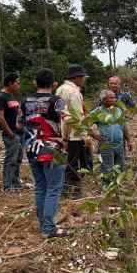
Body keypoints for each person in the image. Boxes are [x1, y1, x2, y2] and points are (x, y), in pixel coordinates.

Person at [23, 68, 68, 238]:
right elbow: (66, 121)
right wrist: (65, 139)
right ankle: (48, 228)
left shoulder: (25, 101)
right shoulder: (57, 101)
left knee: (40, 187)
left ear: (35, 83)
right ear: (54, 84)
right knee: (53, 188)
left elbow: (20, 124)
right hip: (52, 148)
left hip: (31, 148)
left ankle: (43, 224)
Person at [55, 64, 89, 199]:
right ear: (76, 78)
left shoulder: (60, 89)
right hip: (74, 134)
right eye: (82, 77)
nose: (84, 80)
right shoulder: (73, 92)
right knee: (74, 164)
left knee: (67, 162)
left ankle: (65, 189)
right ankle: (74, 192)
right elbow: (77, 116)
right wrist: (85, 135)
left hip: (63, 132)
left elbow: (60, 112)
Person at [89, 89, 133, 175]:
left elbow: (124, 126)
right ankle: (106, 186)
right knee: (107, 169)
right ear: (104, 100)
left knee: (120, 168)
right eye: (111, 98)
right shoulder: (97, 112)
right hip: (106, 146)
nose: (115, 99)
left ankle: (117, 187)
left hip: (119, 145)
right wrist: (96, 137)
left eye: (114, 97)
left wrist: (129, 141)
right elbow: (85, 126)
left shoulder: (118, 110)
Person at [0, 72, 25, 191]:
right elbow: (0, 117)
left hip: (19, 132)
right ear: (10, 83)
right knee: (11, 159)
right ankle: (8, 186)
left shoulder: (11, 96)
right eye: (17, 83)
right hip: (11, 133)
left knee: (18, 159)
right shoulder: (1, 97)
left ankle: (16, 183)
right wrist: (10, 133)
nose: (19, 85)